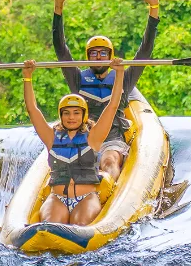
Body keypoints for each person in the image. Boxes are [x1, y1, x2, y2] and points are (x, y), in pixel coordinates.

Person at [53, 0, 159, 181]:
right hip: (83, 138)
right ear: (88, 57)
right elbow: (61, 50)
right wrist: (58, 6)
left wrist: (153, 9)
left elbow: (145, 51)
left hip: (113, 140)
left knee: (109, 161)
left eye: (103, 53)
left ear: (110, 56)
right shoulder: (77, 79)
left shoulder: (124, 79)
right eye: (94, 53)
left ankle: (106, 187)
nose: (99, 57)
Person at [22, 57, 125, 225]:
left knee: (81, 225)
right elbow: (32, 109)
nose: (71, 117)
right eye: (67, 113)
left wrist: (119, 73)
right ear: (61, 115)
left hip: (86, 198)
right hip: (57, 198)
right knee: (51, 226)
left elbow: (113, 105)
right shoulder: (51, 137)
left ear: (84, 115)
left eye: (76, 113)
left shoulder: (94, 137)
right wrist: (27, 77)